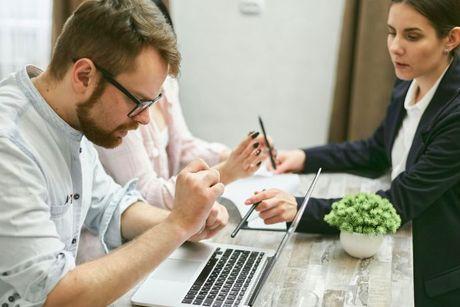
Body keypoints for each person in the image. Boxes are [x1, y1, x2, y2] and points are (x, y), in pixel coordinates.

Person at [0, 0, 226, 306]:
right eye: (138, 101)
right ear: (83, 76)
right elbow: (59, 295)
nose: (145, 118)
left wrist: (189, 221)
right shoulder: (10, 145)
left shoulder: (69, 119)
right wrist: (176, 226)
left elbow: (113, 207)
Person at [244, 0, 460, 305]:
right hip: (400, 241)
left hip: (434, 271)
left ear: (451, 39)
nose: (396, 47)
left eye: (412, 36)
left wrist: (301, 208)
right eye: (391, 32)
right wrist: (303, 158)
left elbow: (399, 203)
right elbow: (374, 152)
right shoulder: (407, 85)